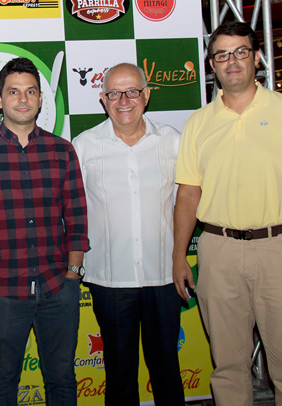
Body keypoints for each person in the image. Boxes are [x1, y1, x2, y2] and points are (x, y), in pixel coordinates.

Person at [173, 21, 282, 406]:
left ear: (256, 57)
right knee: (227, 367)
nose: (232, 61)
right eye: (222, 54)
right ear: (212, 65)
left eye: (241, 51)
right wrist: (178, 256)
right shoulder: (198, 123)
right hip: (219, 251)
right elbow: (188, 195)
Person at [0, 57, 89, 405]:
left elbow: (77, 216)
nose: (22, 99)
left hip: (57, 287)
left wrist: (73, 275)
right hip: (2, 291)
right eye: (13, 91)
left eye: (30, 91)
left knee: (62, 377)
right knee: (2, 379)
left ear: (41, 99)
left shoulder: (62, 150)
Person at [73, 62, 185, 406]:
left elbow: (186, 203)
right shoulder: (84, 145)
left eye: (132, 91)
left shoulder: (172, 141)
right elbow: (73, 211)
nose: (124, 100)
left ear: (146, 95)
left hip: (163, 277)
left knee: (167, 370)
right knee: (120, 376)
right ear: (103, 99)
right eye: (115, 93)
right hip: (110, 280)